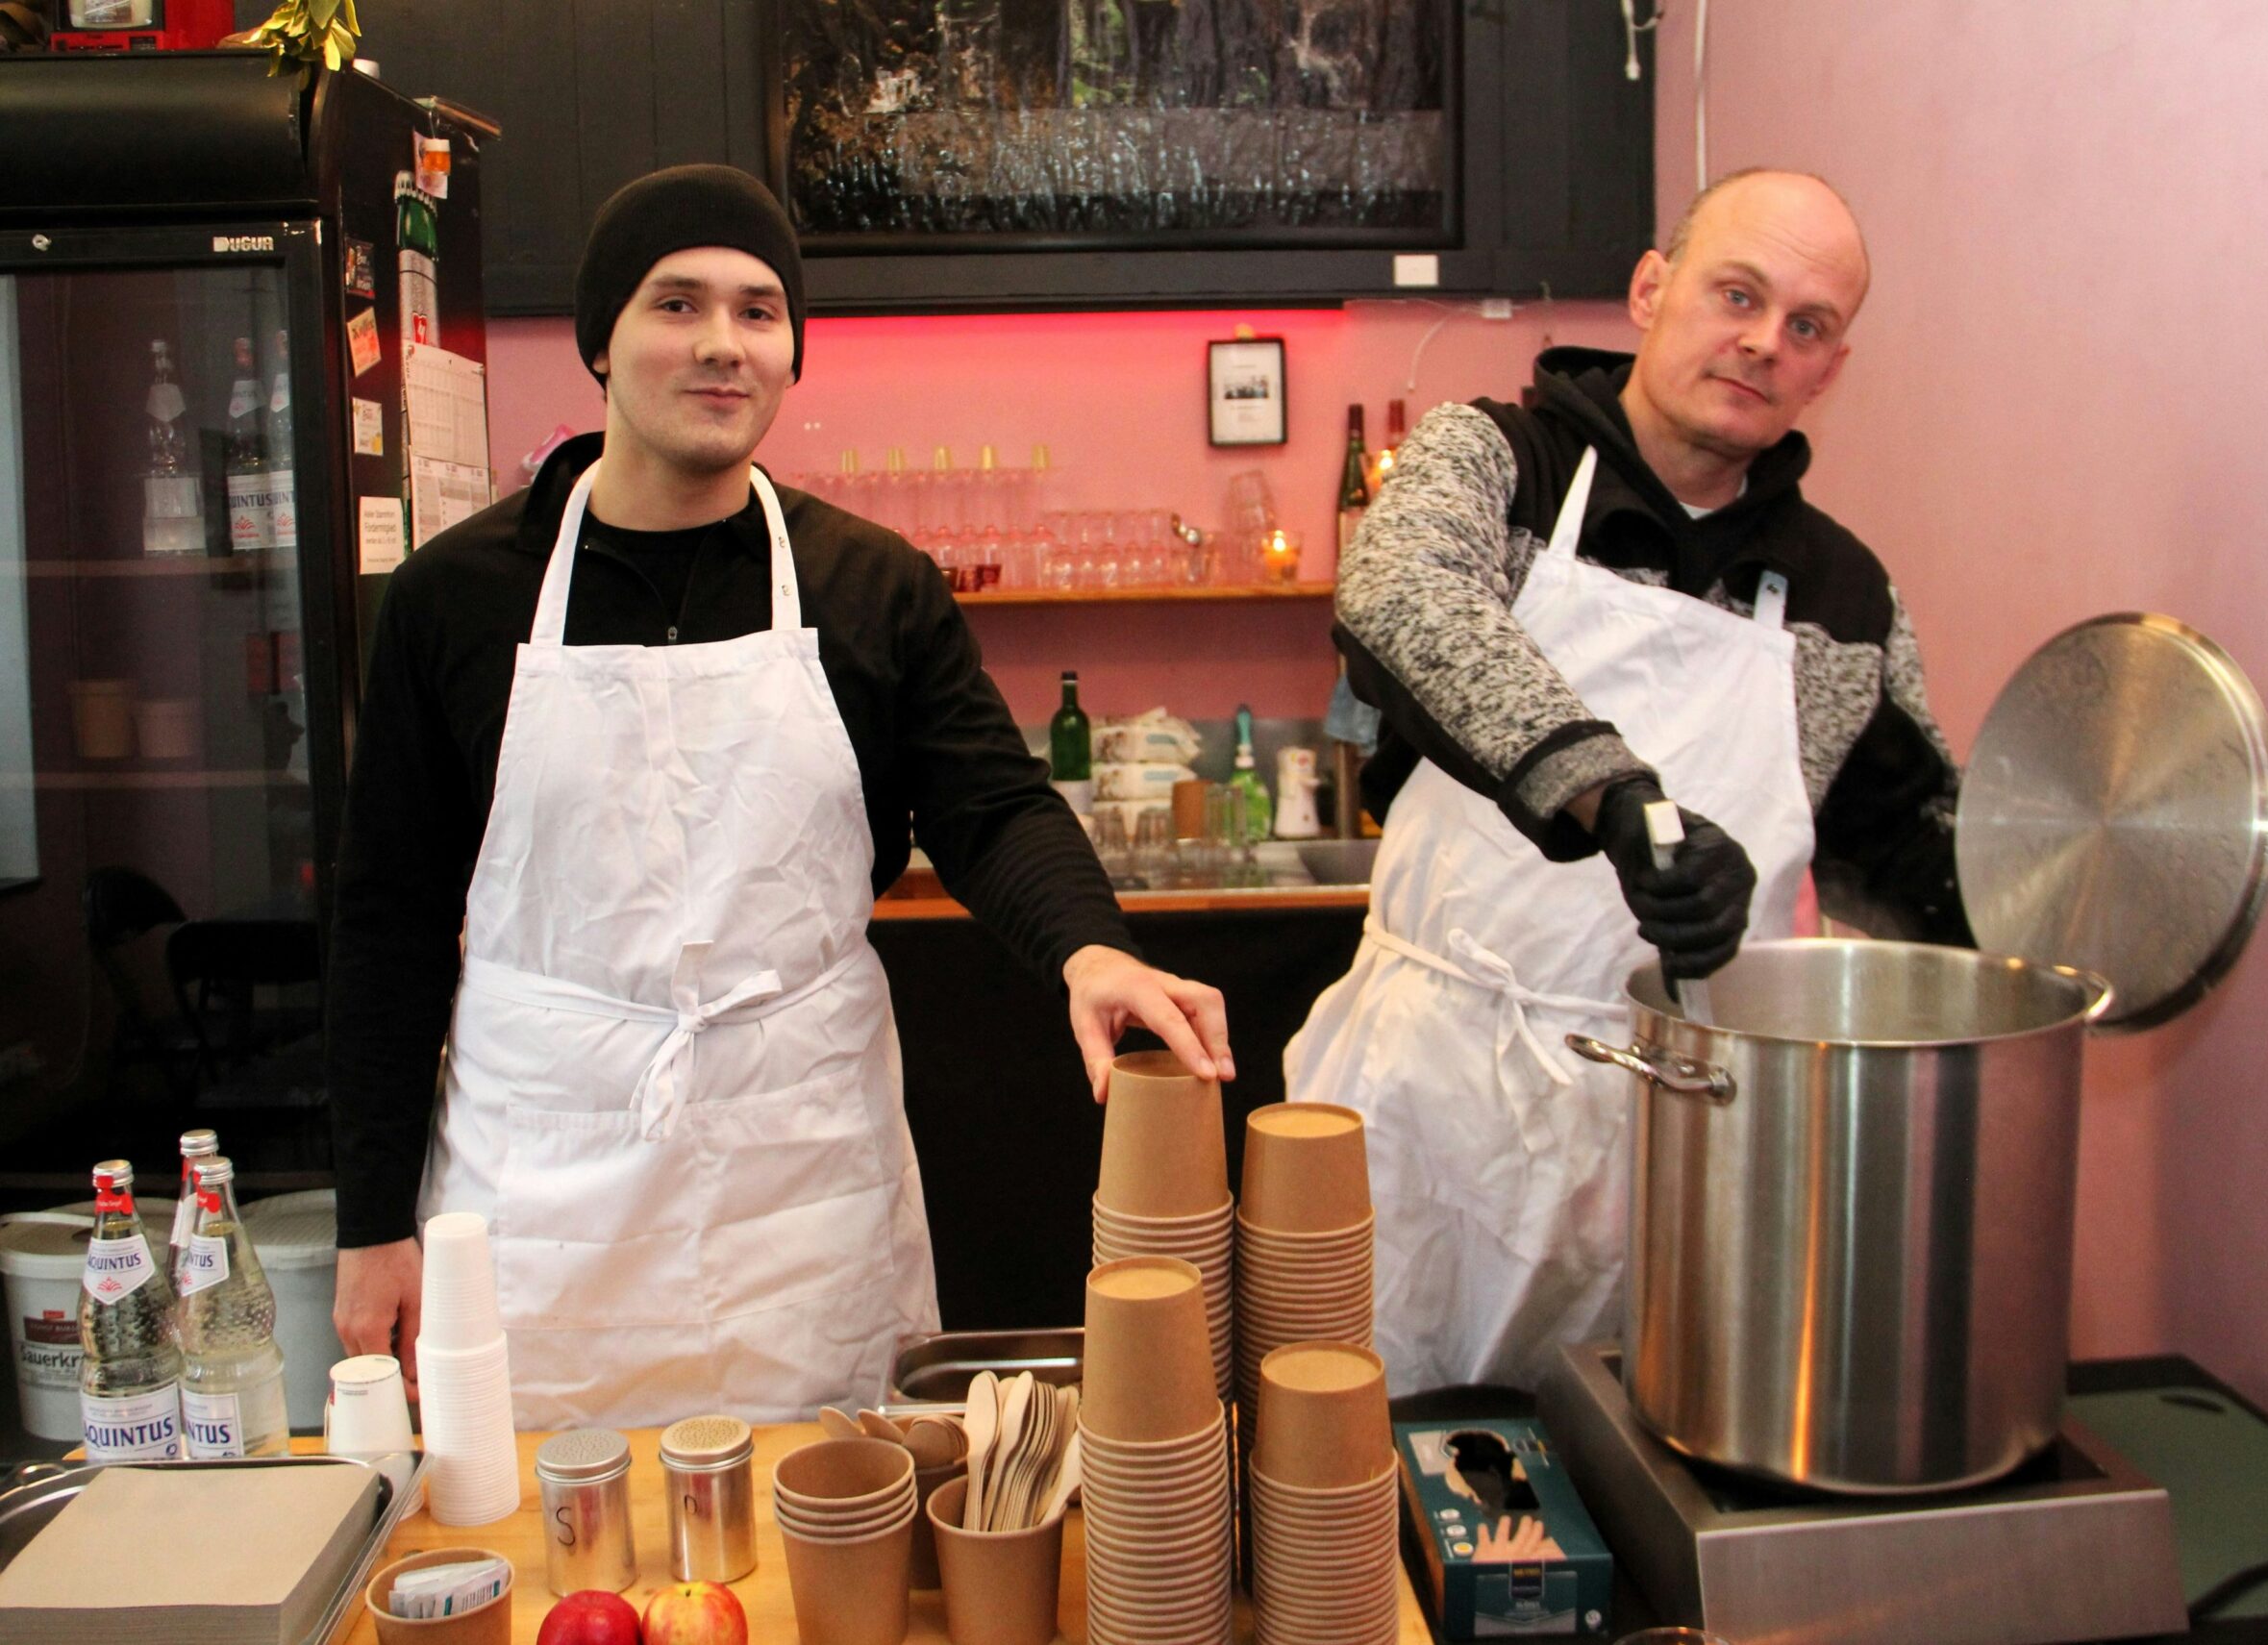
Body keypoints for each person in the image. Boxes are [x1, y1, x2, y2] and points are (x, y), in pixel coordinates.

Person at [325, 164, 1231, 1428]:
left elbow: (991, 805)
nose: (721, 345)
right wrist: (372, 1222)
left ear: (795, 351)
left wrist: (1090, 947)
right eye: (676, 304)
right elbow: (388, 926)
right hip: (543, 1189)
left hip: (804, 1184)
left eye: (759, 311)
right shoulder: (454, 601)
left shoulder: (873, 587)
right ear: (599, 338)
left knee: (834, 1536)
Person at [1283, 169, 1971, 1394]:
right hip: (1433, 1106)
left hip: (1690, 1143)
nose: (1763, 341)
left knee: (1648, 1487)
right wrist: (1621, 802)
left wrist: (2077, 880)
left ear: (1830, 369)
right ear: (1653, 290)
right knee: (1365, 1495)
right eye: (1737, 294)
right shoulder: (1498, 460)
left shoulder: (1845, 600)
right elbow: (1399, 599)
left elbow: (1918, 852)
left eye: (1806, 326)